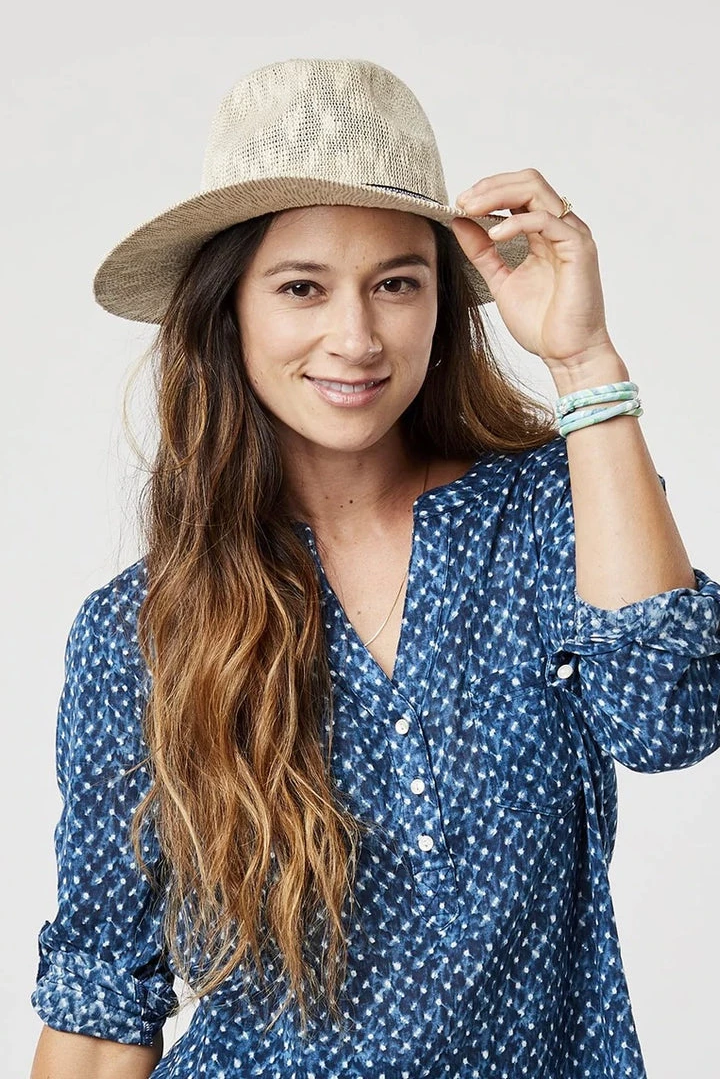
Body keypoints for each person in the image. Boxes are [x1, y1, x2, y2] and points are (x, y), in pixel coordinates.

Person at [29, 57, 720, 1079]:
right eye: (301, 288)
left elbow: (670, 717)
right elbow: (100, 999)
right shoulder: (141, 630)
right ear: (230, 311)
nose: (354, 338)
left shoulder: (549, 510)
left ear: (444, 303)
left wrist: (584, 364)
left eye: (396, 284)